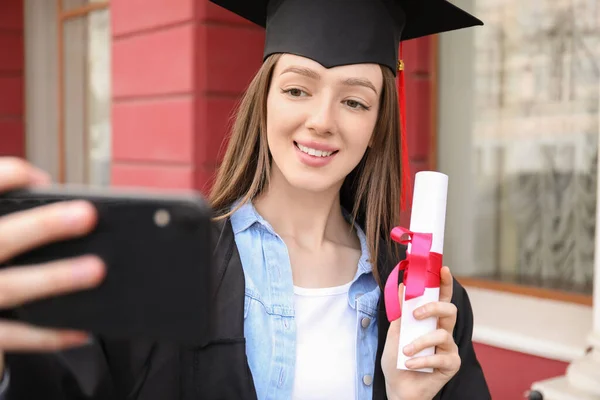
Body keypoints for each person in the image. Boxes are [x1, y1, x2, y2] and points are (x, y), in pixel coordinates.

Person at [0, 0, 491, 399]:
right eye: (298, 89)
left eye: (355, 101)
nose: (322, 119)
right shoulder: (161, 272)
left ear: (377, 126)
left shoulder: (423, 306)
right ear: (264, 102)